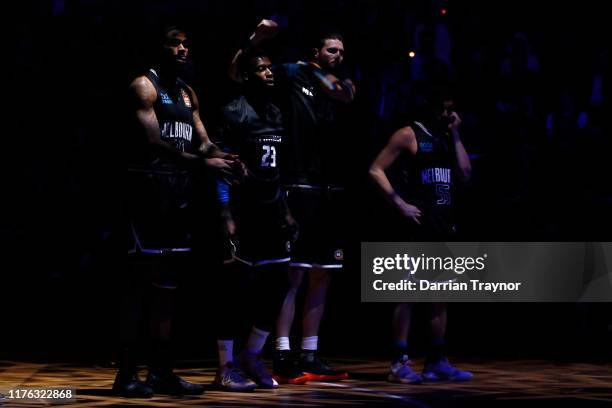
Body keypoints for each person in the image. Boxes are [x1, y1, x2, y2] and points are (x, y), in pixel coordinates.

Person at [230, 19, 356, 383]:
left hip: (330, 189)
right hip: (297, 186)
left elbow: (346, 94)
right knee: (294, 274)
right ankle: (282, 353)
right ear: (314, 51)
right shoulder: (291, 74)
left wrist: (329, 75)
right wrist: (256, 38)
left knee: (324, 274)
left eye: (342, 52)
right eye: (332, 50)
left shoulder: (339, 82)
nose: (338, 56)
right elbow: (239, 72)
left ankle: (310, 352)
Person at [120, 26, 238, 398]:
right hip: (147, 197)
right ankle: (126, 374)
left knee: (167, 291)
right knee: (139, 290)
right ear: (159, 48)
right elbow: (153, 143)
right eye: (175, 43)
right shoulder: (144, 85)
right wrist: (205, 166)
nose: (183, 49)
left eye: (187, 43)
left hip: (179, 201)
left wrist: (226, 158)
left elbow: (203, 142)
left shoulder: (187, 94)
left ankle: (161, 372)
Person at [369, 88, 474, 383]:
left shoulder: (447, 137)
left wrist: (455, 135)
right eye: (443, 109)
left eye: (451, 110)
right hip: (415, 227)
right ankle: (399, 362)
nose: (447, 115)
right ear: (430, 108)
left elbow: (465, 174)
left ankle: (437, 361)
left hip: (443, 225)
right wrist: (400, 204)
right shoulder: (408, 134)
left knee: (440, 295)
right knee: (407, 293)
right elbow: (375, 169)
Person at [212, 47, 300, 391]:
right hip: (243, 214)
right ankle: (225, 366)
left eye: (270, 67)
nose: (269, 73)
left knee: (277, 286)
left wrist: (287, 210)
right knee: (234, 292)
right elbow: (220, 166)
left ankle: (252, 355)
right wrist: (225, 213)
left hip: (272, 213)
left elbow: (277, 170)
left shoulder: (277, 112)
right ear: (246, 76)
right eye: (261, 69)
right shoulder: (233, 112)